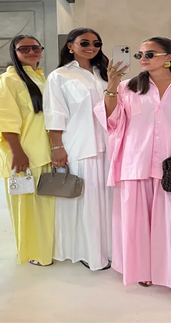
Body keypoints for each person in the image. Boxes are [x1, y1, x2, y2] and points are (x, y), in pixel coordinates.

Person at [94, 36, 171, 309]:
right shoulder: (129, 87)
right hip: (136, 164)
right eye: (140, 55)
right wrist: (112, 87)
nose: (143, 59)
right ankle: (146, 270)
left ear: (169, 57)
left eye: (150, 54)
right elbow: (113, 122)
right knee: (139, 224)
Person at [43, 28, 112, 271]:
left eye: (96, 43)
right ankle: (87, 251)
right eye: (85, 42)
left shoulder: (104, 74)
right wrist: (57, 147)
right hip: (80, 145)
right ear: (71, 46)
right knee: (86, 200)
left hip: (109, 145)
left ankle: (111, 249)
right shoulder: (59, 76)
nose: (91, 47)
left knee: (109, 199)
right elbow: (55, 113)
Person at [0, 35, 54, 267]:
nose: (31, 51)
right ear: (14, 52)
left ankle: (46, 249)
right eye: (24, 48)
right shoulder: (7, 80)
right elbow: (3, 120)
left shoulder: (40, 77)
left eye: (35, 47)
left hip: (43, 151)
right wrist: (17, 152)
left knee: (44, 207)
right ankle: (33, 252)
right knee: (26, 206)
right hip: (25, 154)